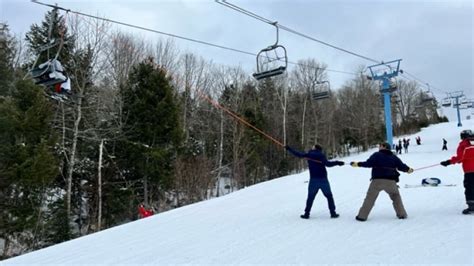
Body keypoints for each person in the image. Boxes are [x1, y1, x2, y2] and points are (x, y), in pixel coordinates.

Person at [350, 142, 414, 221]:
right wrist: (408, 169)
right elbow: (401, 166)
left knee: (370, 198)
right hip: (391, 182)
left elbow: (369, 163)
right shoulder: (394, 157)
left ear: (384, 147)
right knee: (396, 196)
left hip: (377, 181)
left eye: (380, 146)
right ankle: (402, 214)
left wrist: (357, 164)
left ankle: (362, 216)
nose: (379, 147)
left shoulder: (377, 155)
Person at [285, 144, 344, 219]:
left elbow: (299, 154)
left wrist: (289, 149)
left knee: (310, 197)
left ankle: (306, 214)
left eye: (313, 146)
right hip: (323, 180)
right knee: (329, 196)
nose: (311, 147)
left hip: (313, 180)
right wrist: (337, 163)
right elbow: (328, 164)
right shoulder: (321, 155)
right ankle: (333, 213)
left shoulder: (309, 154)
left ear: (315, 148)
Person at [440, 130, 474, 214]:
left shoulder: (463, 145)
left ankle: (472, 206)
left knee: (469, 188)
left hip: (470, 171)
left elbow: (460, 158)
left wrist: (448, 162)